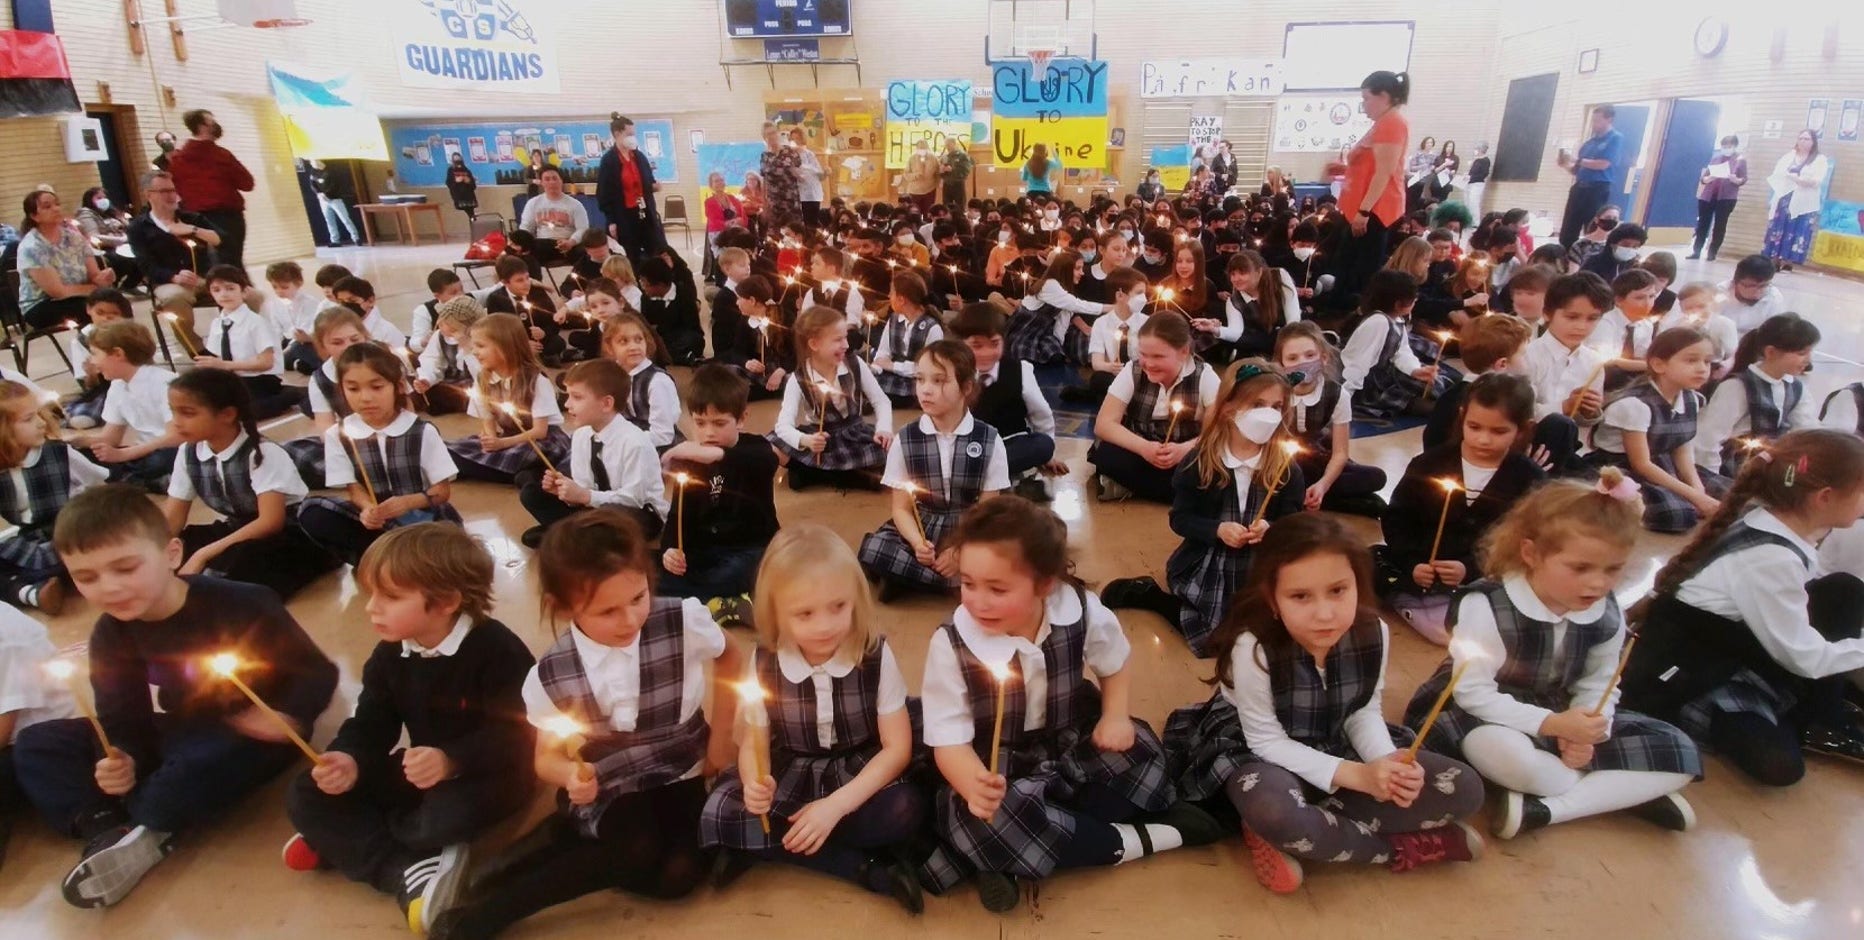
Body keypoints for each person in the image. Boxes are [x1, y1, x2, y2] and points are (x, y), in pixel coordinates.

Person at [15, 484, 336, 908]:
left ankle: (148, 819)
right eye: (86, 577)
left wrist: (290, 716)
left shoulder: (244, 603)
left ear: (171, 554)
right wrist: (122, 756)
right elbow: (120, 715)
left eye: (125, 568)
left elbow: (315, 672)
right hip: (173, 730)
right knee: (37, 744)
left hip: (250, 729)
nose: (108, 588)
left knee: (196, 769)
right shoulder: (110, 632)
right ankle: (108, 828)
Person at [426, 510, 741, 939]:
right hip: (607, 776)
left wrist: (722, 739)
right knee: (635, 849)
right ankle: (492, 912)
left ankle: (566, 838)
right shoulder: (552, 673)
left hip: (679, 763)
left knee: (678, 877)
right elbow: (545, 760)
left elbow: (731, 656)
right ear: (564, 607)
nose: (630, 620)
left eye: (638, 597)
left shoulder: (683, 620)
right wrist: (568, 774)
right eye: (607, 611)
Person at [919, 497, 1219, 912]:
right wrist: (974, 785)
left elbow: (1114, 663)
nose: (977, 601)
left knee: (1146, 753)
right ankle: (1146, 837)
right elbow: (948, 740)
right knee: (987, 815)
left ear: (1045, 584)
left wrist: (1114, 716)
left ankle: (1015, 851)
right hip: (995, 760)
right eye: (968, 584)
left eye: (997, 589)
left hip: (1070, 734)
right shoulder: (951, 643)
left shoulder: (1079, 610)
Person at [1164, 514, 1485, 895]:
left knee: (1466, 789)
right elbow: (1266, 741)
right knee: (1276, 811)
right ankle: (1398, 847)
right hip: (1262, 752)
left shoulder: (1374, 631)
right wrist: (1359, 778)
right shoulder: (1253, 648)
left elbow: (1363, 710)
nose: (1325, 613)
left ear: (1358, 585)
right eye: (1300, 596)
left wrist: (1384, 761)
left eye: (1338, 591)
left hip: (1336, 736)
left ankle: (1303, 832)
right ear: (1272, 598)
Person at [1404, 470, 1701, 840]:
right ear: (1531, 553)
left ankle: (1546, 810)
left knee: (1680, 751)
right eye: (1580, 568)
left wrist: (1591, 729)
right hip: (1484, 714)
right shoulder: (1488, 605)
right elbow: (1473, 695)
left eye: (1613, 569)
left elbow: (1602, 682)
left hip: (1564, 713)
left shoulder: (1605, 611)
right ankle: (1615, 794)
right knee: (1501, 752)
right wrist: (1555, 727)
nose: (1597, 583)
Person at [282, 524, 534, 933]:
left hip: (488, 776)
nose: (371, 608)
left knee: (439, 820)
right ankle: (404, 868)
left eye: (391, 597)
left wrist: (452, 760)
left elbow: (521, 735)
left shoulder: (498, 651)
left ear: (448, 601)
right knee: (304, 792)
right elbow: (371, 723)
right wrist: (348, 758)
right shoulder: (389, 655)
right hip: (419, 770)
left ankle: (350, 842)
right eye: (371, 595)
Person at [1624, 429, 1864, 785]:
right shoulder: (1772, 559)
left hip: (1738, 646)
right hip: (1694, 675)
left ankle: (1822, 713)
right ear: (1825, 497)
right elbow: (1804, 657)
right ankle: (1809, 718)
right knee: (1780, 765)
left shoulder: (1775, 521)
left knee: (1845, 590)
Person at [704, 525, 923, 907]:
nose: (824, 625)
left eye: (838, 607)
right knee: (718, 810)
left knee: (905, 809)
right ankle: (859, 866)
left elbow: (897, 749)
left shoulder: (874, 655)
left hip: (858, 767)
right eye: (804, 613)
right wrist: (756, 780)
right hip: (793, 768)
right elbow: (753, 744)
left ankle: (764, 846)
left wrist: (835, 807)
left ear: (856, 598)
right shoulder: (765, 660)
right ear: (776, 614)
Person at [1101, 362, 1306, 655]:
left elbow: (1294, 519)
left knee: (1272, 635)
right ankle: (1152, 596)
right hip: (1210, 559)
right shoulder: (1200, 461)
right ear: (1228, 408)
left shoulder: (1286, 468)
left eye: (1277, 406)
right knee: (1214, 639)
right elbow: (1181, 519)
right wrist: (1217, 529)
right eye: (1258, 404)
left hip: (1264, 562)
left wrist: (1273, 529)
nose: (1268, 414)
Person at [1382, 374, 1547, 643]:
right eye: (1474, 427)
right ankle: (1433, 610)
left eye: (1498, 431)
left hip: (1487, 573)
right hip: (1423, 564)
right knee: (1371, 562)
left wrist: (1469, 569)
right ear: (1462, 417)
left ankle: (1449, 614)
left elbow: (1525, 542)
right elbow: (1397, 520)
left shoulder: (1529, 479)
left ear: (1523, 429)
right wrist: (1414, 564)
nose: (1483, 439)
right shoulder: (1428, 464)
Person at [858, 340, 1009, 599]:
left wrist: (960, 549)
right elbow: (901, 509)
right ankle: (958, 583)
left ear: (966, 387)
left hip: (970, 527)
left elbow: (987, 511)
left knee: (1007, 550)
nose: (925, 390)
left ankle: (909, 580)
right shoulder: (905, 439)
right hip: (922, 524)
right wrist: (917, 544)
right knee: (873, 549)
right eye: (920, 379)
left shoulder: (989, 439)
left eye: (939, 381)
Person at [296, 346, 463, 568]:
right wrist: (367, 509)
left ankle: (395, 562)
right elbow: (354, 488)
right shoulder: (339, 434)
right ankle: (389, 561)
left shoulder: (421, 431)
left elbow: (442, 492)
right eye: (353, 389)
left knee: (445, 551)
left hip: (423, 522)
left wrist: (407, 503)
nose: (365, 398)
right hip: (377, 526)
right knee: (313, 513)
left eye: (376, 387)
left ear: (399, 387)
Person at [1584, 328, 1729, 534]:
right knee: (1676, 515)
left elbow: (1682, 450)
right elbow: (1641, 464)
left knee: (1734, 495)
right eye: (1691, 361)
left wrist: (1698, 491)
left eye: (1707, 362)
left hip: (1663, 461)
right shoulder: (1636, 405)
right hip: (1623, 468)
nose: (1702, 369)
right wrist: (1695, 498)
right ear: (1659, 364)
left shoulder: (1692, 399)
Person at [658, 365, 780, 608]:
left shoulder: (756, 448)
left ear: (742, 419)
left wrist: (715, 455)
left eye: (719, 423)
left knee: (737, 573)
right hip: (704, 549)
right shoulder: (691, 459)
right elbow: (678, 514)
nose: (708, 432)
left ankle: (705, 595)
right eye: (700, 423)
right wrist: (670, 549)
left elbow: (768, 460)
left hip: (749, 547)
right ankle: (719, 600)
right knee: (646, 566)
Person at [515, 359, 666, 550]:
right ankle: (578, 534)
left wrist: (585, 496)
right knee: (531, 494)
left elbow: (633, 499)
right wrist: (565, 491)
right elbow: (584, 486)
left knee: (617, 514)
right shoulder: (581, 436)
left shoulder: (635, 442)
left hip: (638, 514)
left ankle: (570, 533)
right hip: (594, 510)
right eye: (568, 396)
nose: (568, 404)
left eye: (577, 397)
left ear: (606, 403)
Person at [1088, 313, 1219, 504]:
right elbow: (1104, 424)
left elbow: (1215, 432)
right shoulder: (1133, 370)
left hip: (1185, 452)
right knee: (1108, 453)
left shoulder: (1205, 376)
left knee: (1209, 468)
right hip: (1139, 447)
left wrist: (1184, 450)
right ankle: (1181, 494)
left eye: (1158, 356)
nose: (1148, 363)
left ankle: (1134, 487)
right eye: (1143, 354)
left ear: (1183, 352)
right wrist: (1144, 448)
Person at [0, 380, 107, 612]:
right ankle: (34, 593)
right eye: (28, 419)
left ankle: (28, 590)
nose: (41, 423)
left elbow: (98, 486)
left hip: (66, 535)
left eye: (38, 414)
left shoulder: (59, 454)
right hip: (25, 543)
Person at [769, 306, 892, 491]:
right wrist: (806, 440)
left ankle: (813, 474)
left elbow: (881, 401)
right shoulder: (799, 378)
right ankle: (846, 476)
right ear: (814, 344)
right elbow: (783, 426)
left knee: (893, 449)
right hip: (819, 438)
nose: (847, 345)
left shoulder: (854, 364)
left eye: (845, 337)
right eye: (838, 340)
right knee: (772, 446)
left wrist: (884, 428)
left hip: (854, 434)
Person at [1274, 321, 1388, 514]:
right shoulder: (1274, 391)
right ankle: (1323, 498)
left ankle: (1313, 495)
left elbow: (1340, 453)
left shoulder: (1335, 393)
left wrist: (1323, 485)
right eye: (1292, 358)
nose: (1302, 362)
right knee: (1294, 476)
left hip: (1316, 455)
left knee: (1377, 477)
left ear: (1324, 358)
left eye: (1310, 355)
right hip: (1279, 462)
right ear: (1281, 364)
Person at [947, 301, 1061, 486]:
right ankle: (990, 474)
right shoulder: (952, 372)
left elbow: (1042, 415)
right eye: (977, 345)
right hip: (969, 446)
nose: (986, 353)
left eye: (994, 344)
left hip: (1011, 443)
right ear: (961, 344)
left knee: (1043, 445)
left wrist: (1047, 457)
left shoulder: (1019, 370)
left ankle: (980, 474)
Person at [446, 315, 569, 485]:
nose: (474, 351)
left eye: (480, 346)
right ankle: (515, 473)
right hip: (508, 438)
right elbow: (488, 421)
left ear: (505, 347)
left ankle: (517, 473)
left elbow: (540, 431)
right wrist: (490, 441)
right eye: (474, 345)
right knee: (450, 450)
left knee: (530, 455)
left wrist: (502, 443)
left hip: (539, 441)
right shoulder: (484, 379)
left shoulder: (535, 381)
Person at [1694, 314, 1819, 477]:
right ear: (1771, 352)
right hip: (1732, 468)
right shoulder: (1738, 386)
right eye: (1802, 353)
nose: (1808, 360)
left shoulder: (1796, 388)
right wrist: (1711, 478)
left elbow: (1806, 431)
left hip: (1770, 468)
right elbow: (1708, 440)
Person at [79, 321, 181, 492]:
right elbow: (110, 439)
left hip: (168, 449)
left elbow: (176, 436)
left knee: (163, 459)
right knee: (83, 456)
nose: (93, 361)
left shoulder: (164, 382)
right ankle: (142, 479)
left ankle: (143, 478)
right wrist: (75, 443)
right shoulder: (118, 386)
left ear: (118, 354)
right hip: (142, 453)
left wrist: (124, 455)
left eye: (95, 354)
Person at [1337, 71, 1412, 298]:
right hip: (1362, 208)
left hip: (1374, 211)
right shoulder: (1382, 123)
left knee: (1359, 273)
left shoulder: (1392, 123)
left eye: (1367, 98)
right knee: (1346, 266)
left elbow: (1384, 173)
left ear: (1385, 96)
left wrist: (1364, 211)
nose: (1364, 105)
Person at [194, 265, 303, 420]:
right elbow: (217, 356)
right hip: (234, 379)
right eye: (216, 290)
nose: (223, 294)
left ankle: (291, 395)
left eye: (230, 288)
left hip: (259, 380)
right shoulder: (217, 324)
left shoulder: (256, 323)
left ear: (244, 292)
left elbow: (265, 362)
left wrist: (225, 365)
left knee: (244, 413)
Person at [129, 170, 224, 341]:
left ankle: (241, 340)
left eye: (173, 190)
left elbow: (219, 239)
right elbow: (145, 264)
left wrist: (192, 229)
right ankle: (197, 349)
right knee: (175, 298)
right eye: (164, 191)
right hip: (169, 283)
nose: (171, 196)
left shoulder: (191, 218)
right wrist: (174, 277)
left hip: (204, 279)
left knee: (251, 296)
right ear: (148, 195)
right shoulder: (138, 227)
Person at [1340, 270, 1439, 419]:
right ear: (1399, 304)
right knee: (1431, 408)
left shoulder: (1396, 319)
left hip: (1386, 377)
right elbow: (1357, 364)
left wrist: (1414, 369)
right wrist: (1344, 399)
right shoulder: (1377, 322)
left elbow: (1402, 350)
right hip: (1370, 387)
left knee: (1438, 387)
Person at [164, 109, 254, 269]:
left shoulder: (178, 160)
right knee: (232, 262)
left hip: (193, 218)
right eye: (211, 122)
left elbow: (174, 189)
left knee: (207, 264)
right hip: (227, 217)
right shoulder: (221, 155)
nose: (216, 125)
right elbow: (247, 183)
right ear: (202, 126)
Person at [16, 191, 115, 329]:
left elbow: (94, 275)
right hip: (43, 305)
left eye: (57, 204)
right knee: (97, 309)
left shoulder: (75, 237)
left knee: (117, 302)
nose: (56, 209)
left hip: (81, 295)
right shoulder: (32, 246)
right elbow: (58, 292)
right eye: (47, 206)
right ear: (34, 216)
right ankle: (100, 346)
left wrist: (104, 279)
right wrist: (94, 288)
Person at [601, 312, 683, 450]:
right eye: (623, 341)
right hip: (625, 439)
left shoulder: (657, 381)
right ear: (610, 347)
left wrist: (622, 441)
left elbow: (663, 435)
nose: (633, 347)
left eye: (638, 340)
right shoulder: (611, 377)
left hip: (657, 447)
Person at [596, 115, 666, 263]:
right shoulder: (609, 161)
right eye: (629, 135)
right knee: (630, 255)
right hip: (624, 216)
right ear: (617, 134)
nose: (632, 138)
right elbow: (604, 193)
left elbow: (648, 181)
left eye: (633, 134)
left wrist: (654, 186)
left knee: (655, 251)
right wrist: (611, 221)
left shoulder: (639, 157)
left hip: (645, 212)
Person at [1556, 107, 1624, 249]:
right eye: (1593, 120)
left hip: (1597, 189)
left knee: (1592, 225)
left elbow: (1603, 164)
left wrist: (1577, 160)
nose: (1594, 124)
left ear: (1609, 119)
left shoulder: (1615, 138)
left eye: (1598, 120)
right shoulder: (1589, 143)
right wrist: (1565, 164)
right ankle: (1565, 256)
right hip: (1579, 187)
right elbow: (1577, 170)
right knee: (1569, 228)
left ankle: (1587, 257)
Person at [871, 271, 944, 403]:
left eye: (891, 293)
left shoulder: (932, 328)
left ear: (901, 299)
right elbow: (883, 352)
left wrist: (894, 366)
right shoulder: (894, 319)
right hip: (892, 374)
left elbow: (930, 369)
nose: (888, 296)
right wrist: (875, 368)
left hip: (918, 380)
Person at [1762, 129, 1829, 271]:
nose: (1803, 142)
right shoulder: (1789, 156)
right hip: (1785, 197)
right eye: (1801, 138)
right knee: (1780, 227)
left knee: (1799, 228)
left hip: (1805, 200)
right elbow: (1777, 174)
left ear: (1813, 142)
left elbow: (1817, 180)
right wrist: (1788, 177)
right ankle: (1774, 258)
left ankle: (1788, 261)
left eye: (1807, 139)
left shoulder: (1819, 159)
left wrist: (1799, 180)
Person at [1688, 135, 1747, 261]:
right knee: (1702, 224)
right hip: (1708, 196)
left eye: (1729, 146)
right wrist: (1708, 179)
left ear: (1735, 147)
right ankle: (1696, 251)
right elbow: (1704, 178)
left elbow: (1743, 179)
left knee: (1720, 225)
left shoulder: (1740, 160)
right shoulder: (1715, 159)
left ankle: (1712, 252)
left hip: (1726, 197)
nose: (1726, 149)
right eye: (1724, 146)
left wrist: (1735, 179)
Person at [518, 167, 589, 268]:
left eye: (555, 178)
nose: (552, 182)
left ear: (561, 181)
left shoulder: (575, 205)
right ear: (541, 182)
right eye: (547, 179)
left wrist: (570, 242)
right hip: (543, 244)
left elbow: (583, 229)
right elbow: (526, 228)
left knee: (585, 252)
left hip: (570, 245)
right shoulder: (533, 203)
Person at [73, 187, 139, 294]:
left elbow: (128, 226)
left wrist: (121, 219)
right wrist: (120, 240)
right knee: (124, 260)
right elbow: (94, 236)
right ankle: (115, 286)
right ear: (90, 200)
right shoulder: (85, 214)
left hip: (121, 244)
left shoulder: (109, 212)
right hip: (102, 248)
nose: (103, 200)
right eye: (99, 198)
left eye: (104, 197)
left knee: (143, 254)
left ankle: (129, 285)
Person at [307, 160, 362, 248]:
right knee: (329, 220)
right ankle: (335, 241)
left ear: (318, 161)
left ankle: (356, 238)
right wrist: (319, 193)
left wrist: (326, 194)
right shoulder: (313, 171)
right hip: (323, 201)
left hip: (335, 199)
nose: (311, 164)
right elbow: (312, 184)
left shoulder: (331, 171)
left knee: (345, 219)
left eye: (312, 161)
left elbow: (334, 184)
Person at [759, 122, 803, 231]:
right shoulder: (765, 156)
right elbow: (764, 180)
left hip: (790, 201)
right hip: (773, 202)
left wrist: (795, 172)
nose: (771, 136)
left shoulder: (790, 152)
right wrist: (764, 205)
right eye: (768, 134)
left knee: (793, 232)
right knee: (774, 235)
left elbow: (801, 174)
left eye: (773, 133)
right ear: (764, 138)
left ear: (778, 134)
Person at [788, 129, 827, 227]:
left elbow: (820, 175)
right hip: (799, 195)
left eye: (797, 138)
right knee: (803, 223)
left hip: (813, 194)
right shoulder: (788, 156)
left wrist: (826, 173)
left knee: (813, 222)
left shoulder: (809, 154)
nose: (795, 141)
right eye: (792, 139)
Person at [702, 172, 745, 258]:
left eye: (721, 180)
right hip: (718, 233)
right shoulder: (709, 202)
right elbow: (714, 222)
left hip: (735, 231)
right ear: (711, 185)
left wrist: (739, 220)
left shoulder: (732, 198)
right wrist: (730, 223)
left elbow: (743, 216)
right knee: (725, 256)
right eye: (716, 181)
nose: (720, 183)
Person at [900, 139, 939, 213]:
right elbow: (906, 174)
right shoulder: (912, 158)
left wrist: (937, 183)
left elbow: (938, 173)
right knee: (914, 213)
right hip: (915, 191)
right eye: (920, 148)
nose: (922, 150)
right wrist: (915, 176)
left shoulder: (933, 158)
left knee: (928, 213)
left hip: (930, 190)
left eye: (923, 147)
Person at [445, 153, 478, 223]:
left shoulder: (466, 170)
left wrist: (469, 181)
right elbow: (448, 183)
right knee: (469, 213)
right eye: (456, 159)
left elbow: (473, 185)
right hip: (459, 196)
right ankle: (473, 223)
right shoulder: (451, 170)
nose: (458, 161)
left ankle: (474, 224)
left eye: (459, 159)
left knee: (471, 213)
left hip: (469, 195)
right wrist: (456, 180)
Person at [940, 136, 973, 208]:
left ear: (954, 144)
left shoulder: (962, 155)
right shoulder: (945, 156)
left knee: (960, 206)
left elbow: (966, 171)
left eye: (949, 144)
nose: (947, 147)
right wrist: (941, 171)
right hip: (947, 185)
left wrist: (952, 170)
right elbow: (940, 173)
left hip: (958, 184)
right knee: (946, 207)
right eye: (946, 145)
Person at [1464, 142, 1491, 217]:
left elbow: (1484, 174)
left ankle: (1475, 222)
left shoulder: (1485, 160)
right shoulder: (1476, 160)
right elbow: (1472, 172)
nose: (1475, 151)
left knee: (1473, 203)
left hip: (1477, 184)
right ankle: (1467, 220)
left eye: (1476, 149)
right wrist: (1467, 175)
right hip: (1469, 183)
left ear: (1480, 150)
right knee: (1467, 203)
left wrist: (1471, 177)